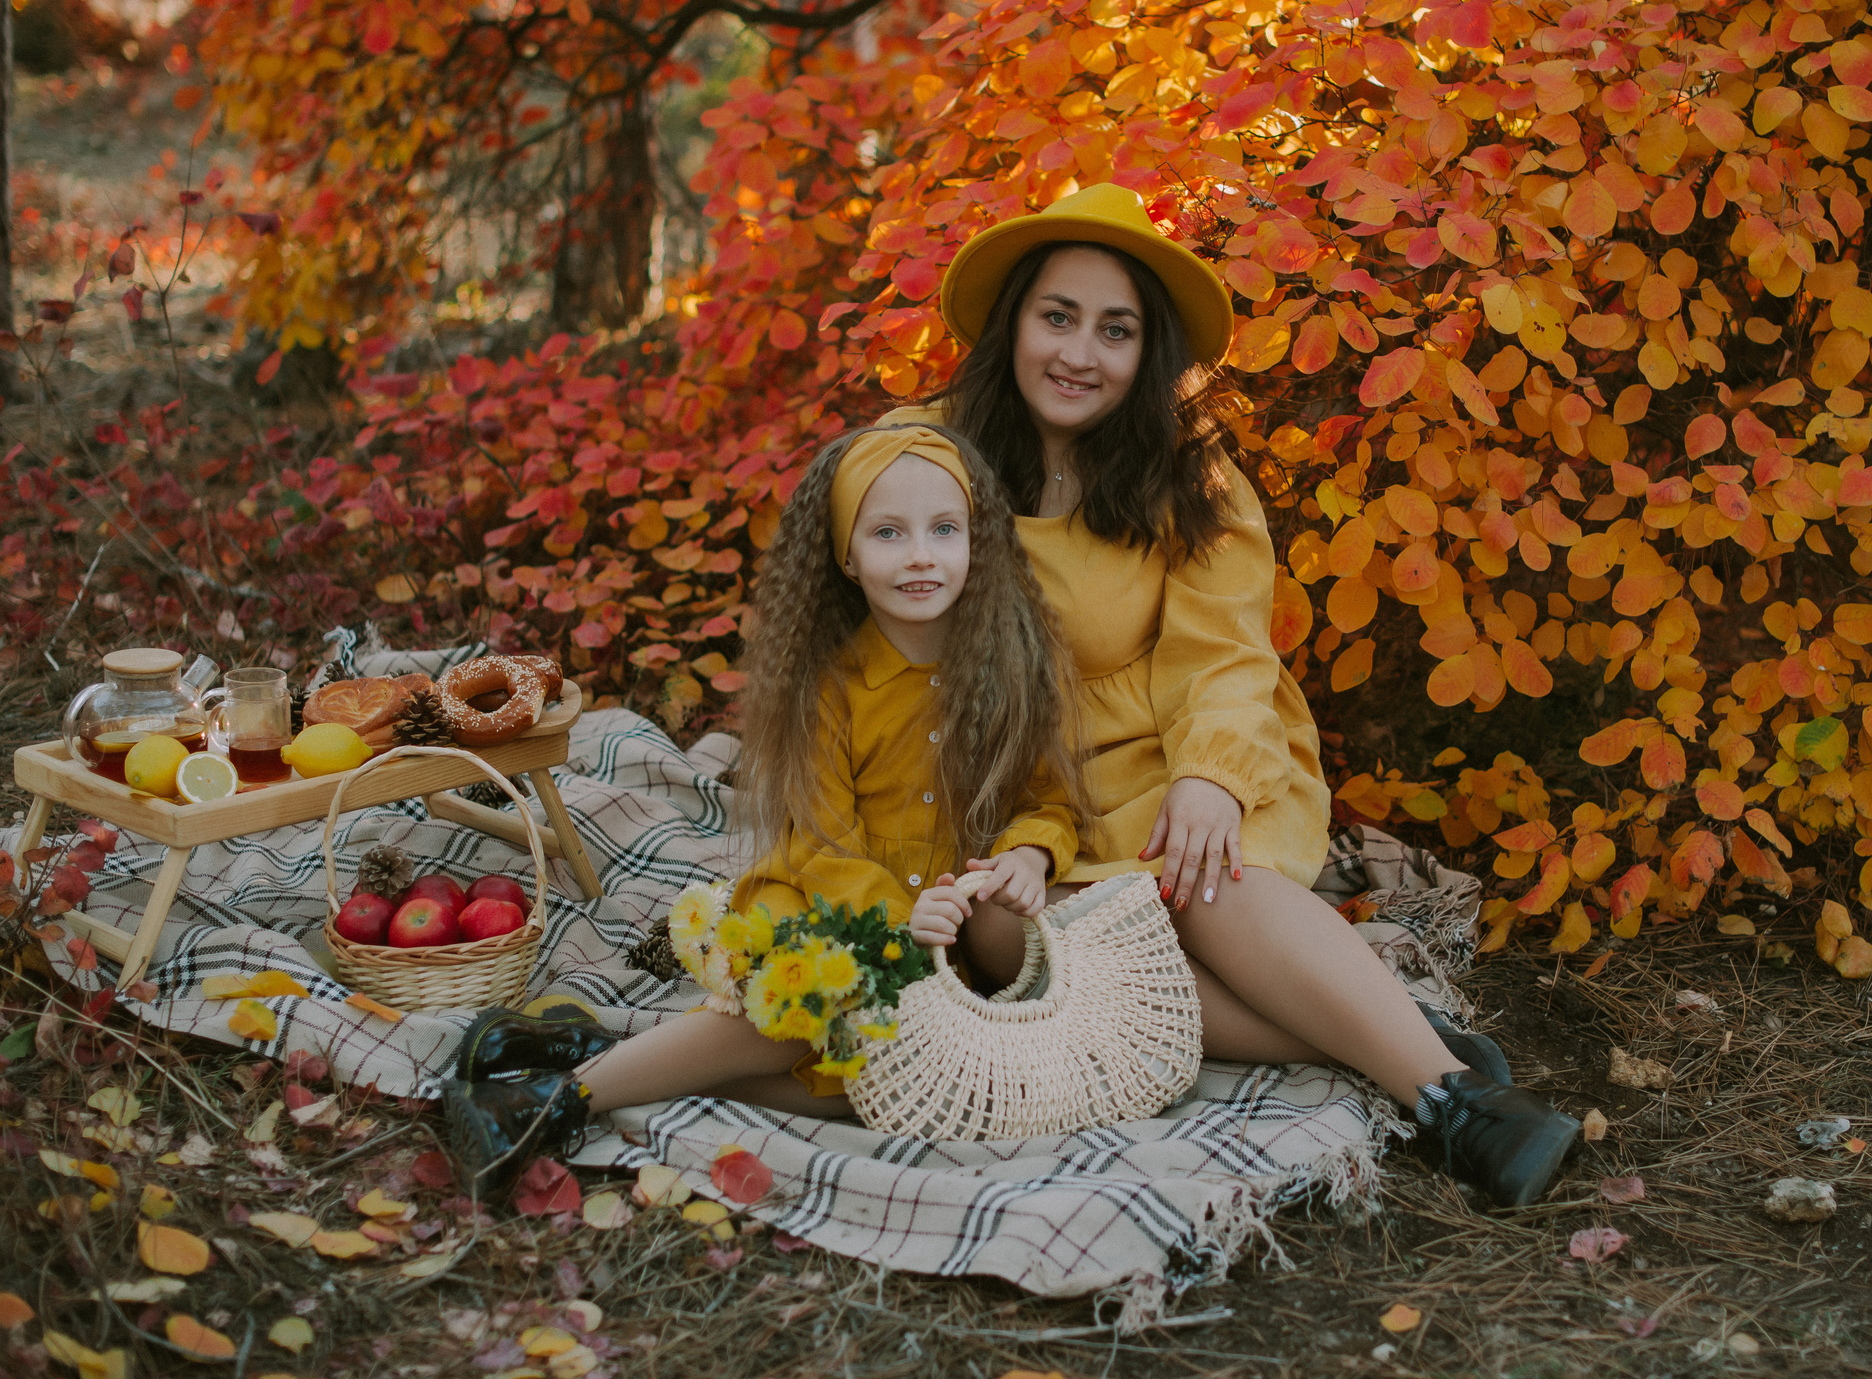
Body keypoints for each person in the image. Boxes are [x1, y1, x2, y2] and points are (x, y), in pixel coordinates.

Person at [879, 181, 1579, 1206]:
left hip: (1168, 750)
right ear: (1012, 322)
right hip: (1017, 793)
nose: (1080, 352)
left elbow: (1224, 654)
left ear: (1146, 353)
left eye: (1115, 330)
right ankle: (1375, 1028)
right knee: (1003, 935)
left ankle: (1455, 1102)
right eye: (1057, 316)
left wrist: (1208, 776)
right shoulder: (922, 454)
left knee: (1197, 874)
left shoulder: (1186, 474)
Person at [440, 424, 1085, 1195]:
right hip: (829, 907)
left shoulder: (1009, 669)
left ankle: (590, 1050)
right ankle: (551, 1103)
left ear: (977, 541)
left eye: (945, 529)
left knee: (880, 1088)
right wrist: (898, 923)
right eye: (888, 532)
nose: (921, 554)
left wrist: (1029, 853)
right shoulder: (829, 686)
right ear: (847, 556)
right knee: (818, 1005)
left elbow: (1046, 798)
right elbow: (822, 840)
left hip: (942, 941)